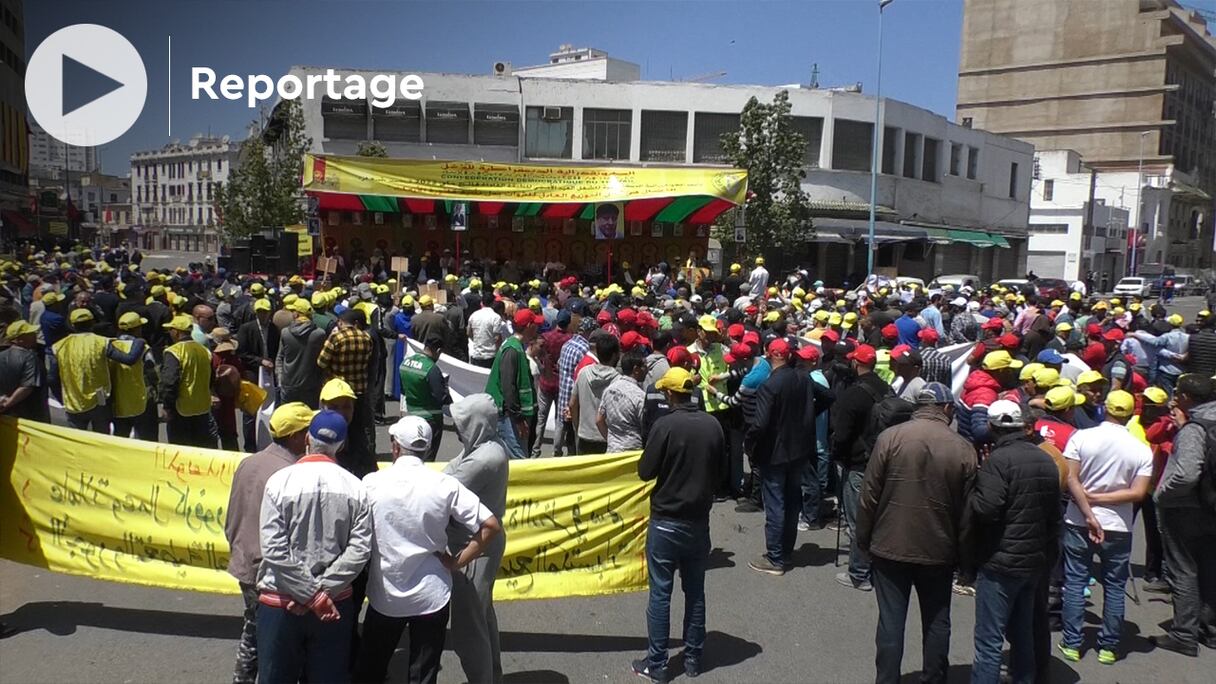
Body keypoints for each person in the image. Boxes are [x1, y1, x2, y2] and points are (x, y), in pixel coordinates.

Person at [355, 416, 502, 684]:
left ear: (395, 447)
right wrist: (457, 562)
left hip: (386, 595)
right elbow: (490, 525)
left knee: (370, 670)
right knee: (423, 675)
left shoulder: (371, 483)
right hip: (432, 596)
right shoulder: (444, 485)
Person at [854, 382, 976, 684]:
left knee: (891, 621)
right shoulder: (963, 448)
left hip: (889, 544)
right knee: (937, 620)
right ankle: (934, 677)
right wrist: (966, 560)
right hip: (940, 549)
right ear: (947, 409)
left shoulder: (890, 438)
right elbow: (969, 513)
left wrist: (864, 540)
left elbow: (869, 496)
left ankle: (887, 680)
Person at [255, 410, 372, 684]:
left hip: (281, 600)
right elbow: (359, 551)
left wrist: (309, 594)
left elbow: (274, 549)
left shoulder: (279, 482)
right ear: (341, 445)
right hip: (334, 603)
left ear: (307, 437)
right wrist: (321, 594)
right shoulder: (356, 488)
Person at [633, 367, 726, 683]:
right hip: (698, 521)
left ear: (670, 394)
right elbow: (721, 473)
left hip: (666, 521)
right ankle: (693, 659)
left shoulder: (665, 426)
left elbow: (645, 471)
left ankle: (657, 665)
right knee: (695, 592)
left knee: (660, 594)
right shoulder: (713, 425)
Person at [968, 400, 1064, 684]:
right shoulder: (1046, 458)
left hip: (1000, 562)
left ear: (992, 426)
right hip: (1033, 561)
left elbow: (987, 508)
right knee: (1023, 632)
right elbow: (1054, 515)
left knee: (989, 638)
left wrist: (975, 485)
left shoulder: (998, 461)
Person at [1058, 390, 1153, 665]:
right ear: (1130, 414)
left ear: (1105, 409)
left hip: (1077, 520)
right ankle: (1108, 647)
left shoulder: (1082, 437)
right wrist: (1102, 502)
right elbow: (1138, 493)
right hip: (1118, 525)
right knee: (1114, 585)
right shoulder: (1140, 448)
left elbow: (1070, 478)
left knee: (1075, 581)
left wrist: (1089, 508)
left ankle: (1072, 643)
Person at [224, 403, 313, 684]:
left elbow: (231, 517)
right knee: (273, 638)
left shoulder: (249, 462)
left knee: (253, 629)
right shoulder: (290, 473)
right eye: (307, 431)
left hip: (244, 561)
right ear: (296, 436)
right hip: (270, 571)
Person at [1148, 374, 1216, 656]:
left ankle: (1183, 633)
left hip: (1186, 508)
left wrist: (1162, 495)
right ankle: (1210, 629)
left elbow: (1186, 474)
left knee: (1184, 569)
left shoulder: (1194, 429)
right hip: (1212, 507)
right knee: (1210, 568)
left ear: (1187, 397)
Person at [444, 394, 510, 684]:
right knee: (482, 616)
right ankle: (491, 675)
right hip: (477, 542)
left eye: (463, 423)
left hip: (475, 546)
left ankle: (481, 678)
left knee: (469, 625)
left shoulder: (484, 457)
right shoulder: (483, 446)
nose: (458, 429)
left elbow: (446, 487)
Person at [746, 339, 814, 576]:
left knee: (775, 504)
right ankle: (785, 550)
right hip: (798, 450)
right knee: (793, 501)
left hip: (775, 453)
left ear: (768, 354)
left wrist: (750, 443)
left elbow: (760, 423)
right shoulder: (803, 378)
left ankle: (775, 558)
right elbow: (827, 397)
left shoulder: (770, 385)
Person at [831, 344, 887, 591]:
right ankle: (873, 567)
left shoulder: (853, 394)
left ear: (856, 363)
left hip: (858, 464)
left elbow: (841, 435)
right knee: (877, 517)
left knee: (857, 520)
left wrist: (837, 456)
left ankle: (859, 573)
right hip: (883, 461)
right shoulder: (886, 388)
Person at [50, 308, 144, 433]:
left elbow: (51, 378)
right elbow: (129, 359)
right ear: (93, 323)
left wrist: (62, 399)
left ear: (72, 325)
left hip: (73, 401)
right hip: (100, 401)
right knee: (101, 440)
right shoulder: (101, 342)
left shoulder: (59, 346)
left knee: (78, 441)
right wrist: (139, 342)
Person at [317, 309, 376, 478]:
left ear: (343, 322)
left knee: (337, 429)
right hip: (359, 390)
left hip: (338, 391)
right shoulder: (366, 338)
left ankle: (340, 462)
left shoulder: (336, 337)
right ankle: (357, 465)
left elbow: (321, 362)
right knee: (358, 430)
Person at [486, 307, 542, 459]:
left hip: (511, 415)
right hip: (508, 416)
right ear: (529, 326)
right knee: (518, 458)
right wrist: (518, 418)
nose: (538, 328)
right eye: (536, 325)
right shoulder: (512, 350)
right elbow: (508, 386)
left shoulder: (516, 347)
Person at [159, 314, 215, 448]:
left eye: (171, 330)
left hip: (181, 410)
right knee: (200, 448)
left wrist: (167, 407)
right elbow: (212, 378)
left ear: (177, 332)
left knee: (181, 450)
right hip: (202, 408)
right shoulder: (204, 351)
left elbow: (170, 382)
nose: (169, 333)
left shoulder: (173, 351)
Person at [399, 335, 452, 462]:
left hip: (411, 414)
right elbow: (441, 397)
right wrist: (445, 387)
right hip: (431, 419)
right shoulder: (431, 368)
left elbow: (402, 390)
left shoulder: (406, 363)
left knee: (411, 456)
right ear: (438, 351)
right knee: (427, 459)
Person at [570, 333, 621, 455]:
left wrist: (578, 427)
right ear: (615, 355)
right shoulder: (618, 380)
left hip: (584, 436)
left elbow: (572, 404)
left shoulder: (583, 373)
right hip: (606, 438)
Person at [534, 309, 573, 457]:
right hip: (561, 384)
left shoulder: (545, 337)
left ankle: (536, 449)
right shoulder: (570, 339)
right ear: (568, 323)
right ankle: (556, 451)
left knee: (541, 418)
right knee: (560, 419)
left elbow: (535, 352)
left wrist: (543, 364)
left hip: (546, 381)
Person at [276, 299, 326, 408]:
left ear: (296, 314)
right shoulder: (319, 334)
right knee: (308, 418)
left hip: (288, 384)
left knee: (288, 419)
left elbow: (280, 357)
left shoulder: (285, 332)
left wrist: (280, 379)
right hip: (311, 385)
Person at [597, 349, 648, 452]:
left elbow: (599, 420)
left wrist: (613, 442)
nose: (647, 370)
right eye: (644, 366)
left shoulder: (610, 389)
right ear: (636, 369)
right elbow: (646, 428)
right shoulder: (640, 396)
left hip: (612, 452)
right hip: (632, 454)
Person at [0, 321, 49, 423]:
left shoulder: (1, 356)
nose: (35, 335)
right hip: (30, 415)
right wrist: (8, 403)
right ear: (18, 340)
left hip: (6, 416)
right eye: (30, 334)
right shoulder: (30, 358)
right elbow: (27, 386)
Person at [466, 296, 503, 369]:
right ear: (493, 303)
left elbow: (468, 333)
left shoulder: (474, 315)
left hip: (476, 354)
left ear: (481, 303)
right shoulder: (496, 317)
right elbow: (497, 338)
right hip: (491, 356)